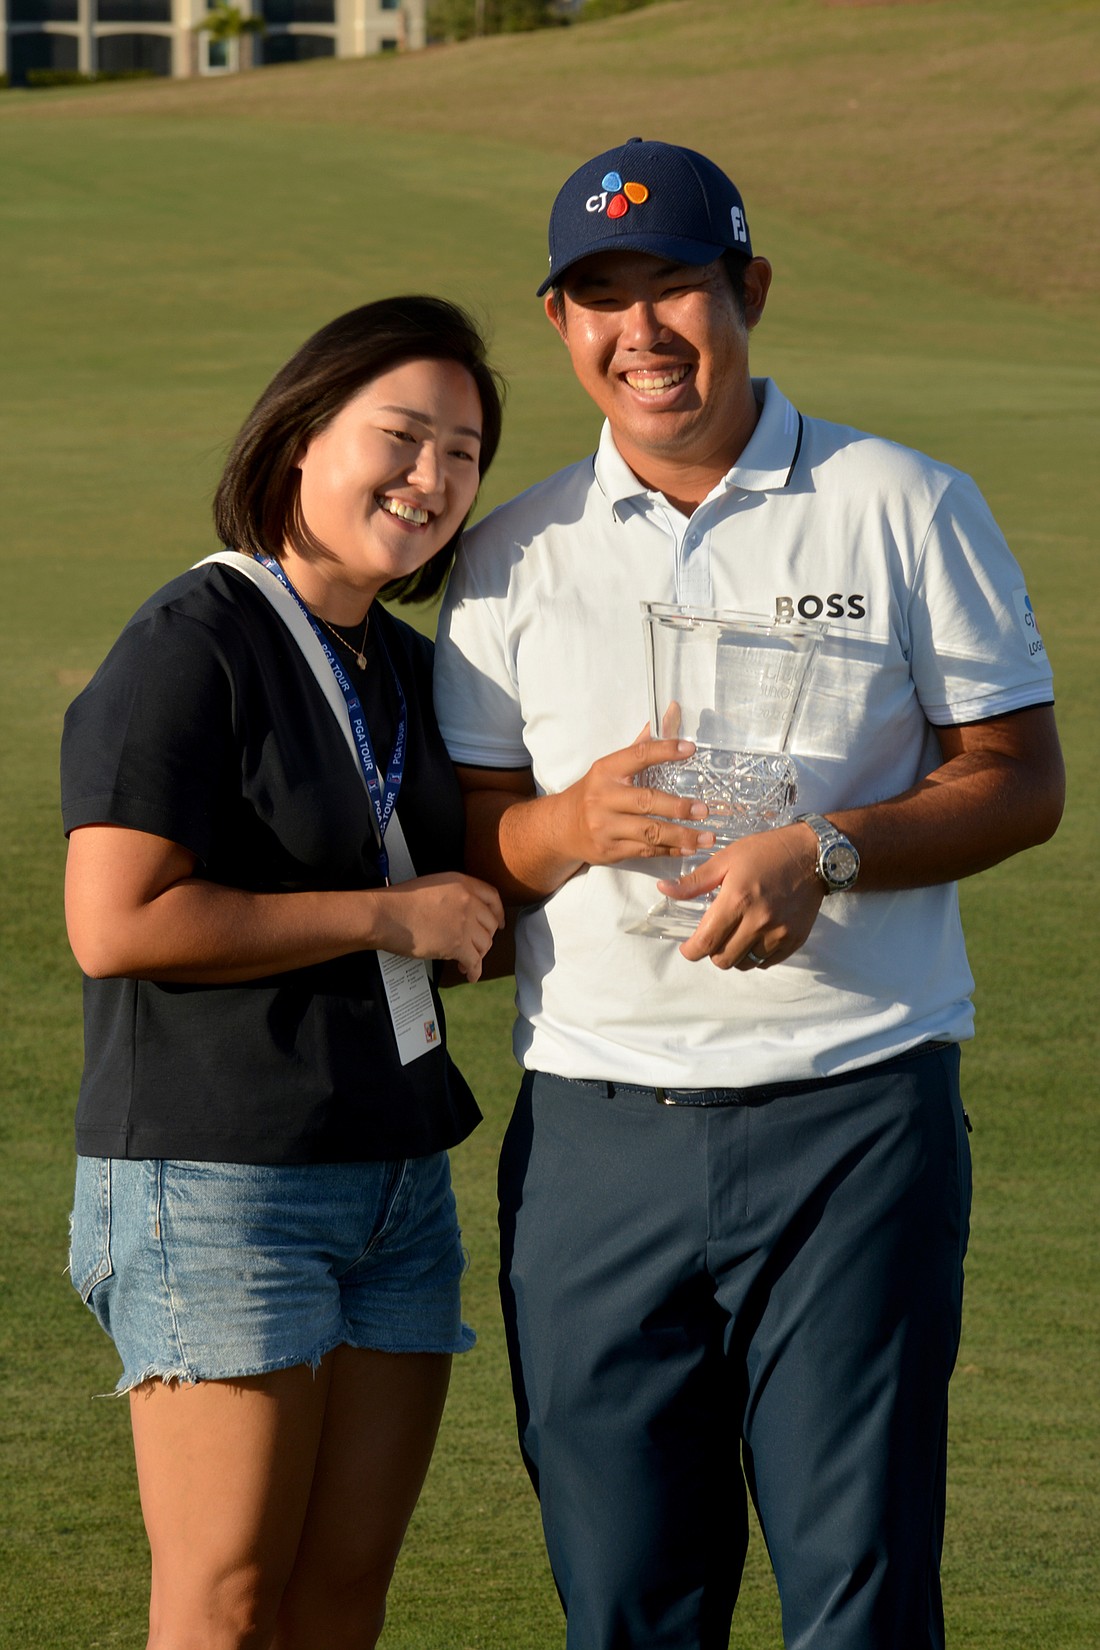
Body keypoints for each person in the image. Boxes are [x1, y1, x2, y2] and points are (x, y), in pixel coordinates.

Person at [433, 139, 1066, 1649]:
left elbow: (1020, 778)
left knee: (858, 1596)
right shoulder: (512, 552)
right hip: (593, 1127)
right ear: (559, 323)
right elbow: (476, 864)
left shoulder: (903, 503)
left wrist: (829, 847)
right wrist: (570, 823)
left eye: (677, 290)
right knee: (627, 1603)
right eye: (600, 297)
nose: (640, 333)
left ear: (751, 291)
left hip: (854, 1114)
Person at [61, 295, 505, 1650]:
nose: (430, 478)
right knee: (228, 1598)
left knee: (339, 1599)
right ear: (302, 434)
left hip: (396, 1183)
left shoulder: (413, 668)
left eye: (466, 454)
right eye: (402, 436)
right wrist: (387, 918)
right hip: (218, 1182)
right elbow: (118, 921)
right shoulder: (190, 641)